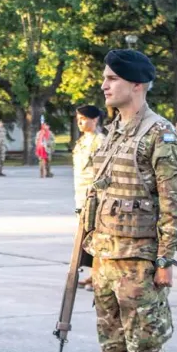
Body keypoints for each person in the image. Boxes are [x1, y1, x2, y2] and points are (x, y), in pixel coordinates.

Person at [85, 49, 177, 352]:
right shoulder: (112, 133)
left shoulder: (158, 135)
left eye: (112, 79)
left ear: (137, 85)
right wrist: (91, 259)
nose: (105, 85)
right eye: (105, 78)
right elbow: (99, 198)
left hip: (140, 266)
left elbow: (174, 205)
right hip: (108, 261)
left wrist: (165, 262)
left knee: (144, 350)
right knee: (115, 351)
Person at [73, 105, 105, 290]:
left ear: (95, 120)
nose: (80, 122)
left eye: (83, 118)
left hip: (95, 199)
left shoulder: (99, 141)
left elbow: (102, 173)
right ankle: (93, 275)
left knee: (98, 238)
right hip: (81, 197)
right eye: (78, 118)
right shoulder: (82, 141)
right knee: (88, 239)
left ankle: (99, 278)